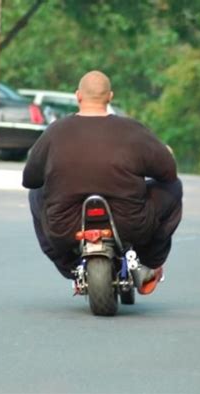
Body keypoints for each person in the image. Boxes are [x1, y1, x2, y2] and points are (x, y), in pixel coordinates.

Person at [22, 70, 182, 295]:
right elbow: (168, 174)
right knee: (173, 188)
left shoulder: (54, 132)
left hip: (66, 226)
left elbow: (30, 179)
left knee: (36, 194)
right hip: (130, 223)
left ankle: (72, 266)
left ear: (78, 96)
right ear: (110, 97)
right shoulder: (132, 131)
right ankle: (150, 263)